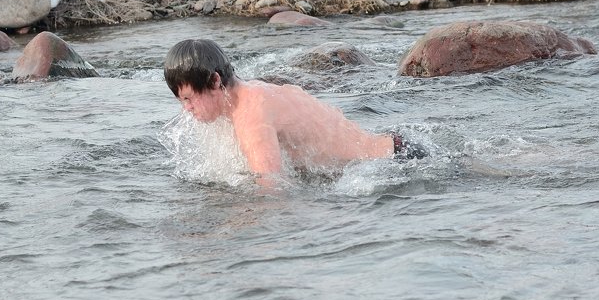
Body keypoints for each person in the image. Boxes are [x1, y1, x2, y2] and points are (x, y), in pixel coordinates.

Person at [164, 39, 423, 185]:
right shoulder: (250, 93)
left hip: (394, 164)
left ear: (214, 82)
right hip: (393, 150)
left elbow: (272, 190)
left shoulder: (252, 116)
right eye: (182, 102)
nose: (187, 109)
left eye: (189, 99)